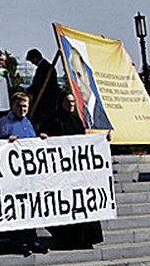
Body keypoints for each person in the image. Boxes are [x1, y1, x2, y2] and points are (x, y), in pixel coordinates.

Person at [41, 90, 105, 250]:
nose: (70, 105)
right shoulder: (53, 120)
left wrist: (101, 140)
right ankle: (67, 238)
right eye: (67, 102)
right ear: (61, 104)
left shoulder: (76, 120)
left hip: (78, 171)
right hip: (61, 173)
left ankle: (87, 238)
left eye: (72, 102)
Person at [0, 91, 49, 256]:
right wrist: (6, 141)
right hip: (12, 175)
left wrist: (41, 140)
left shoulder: (28, 123)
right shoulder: (3, 123)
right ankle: (18, 242)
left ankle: (33, 239)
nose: (22, 109)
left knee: (30, 208)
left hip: (28, 176)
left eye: (25, 106)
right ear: (12, 106)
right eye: (19, 106)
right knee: (16, 209)